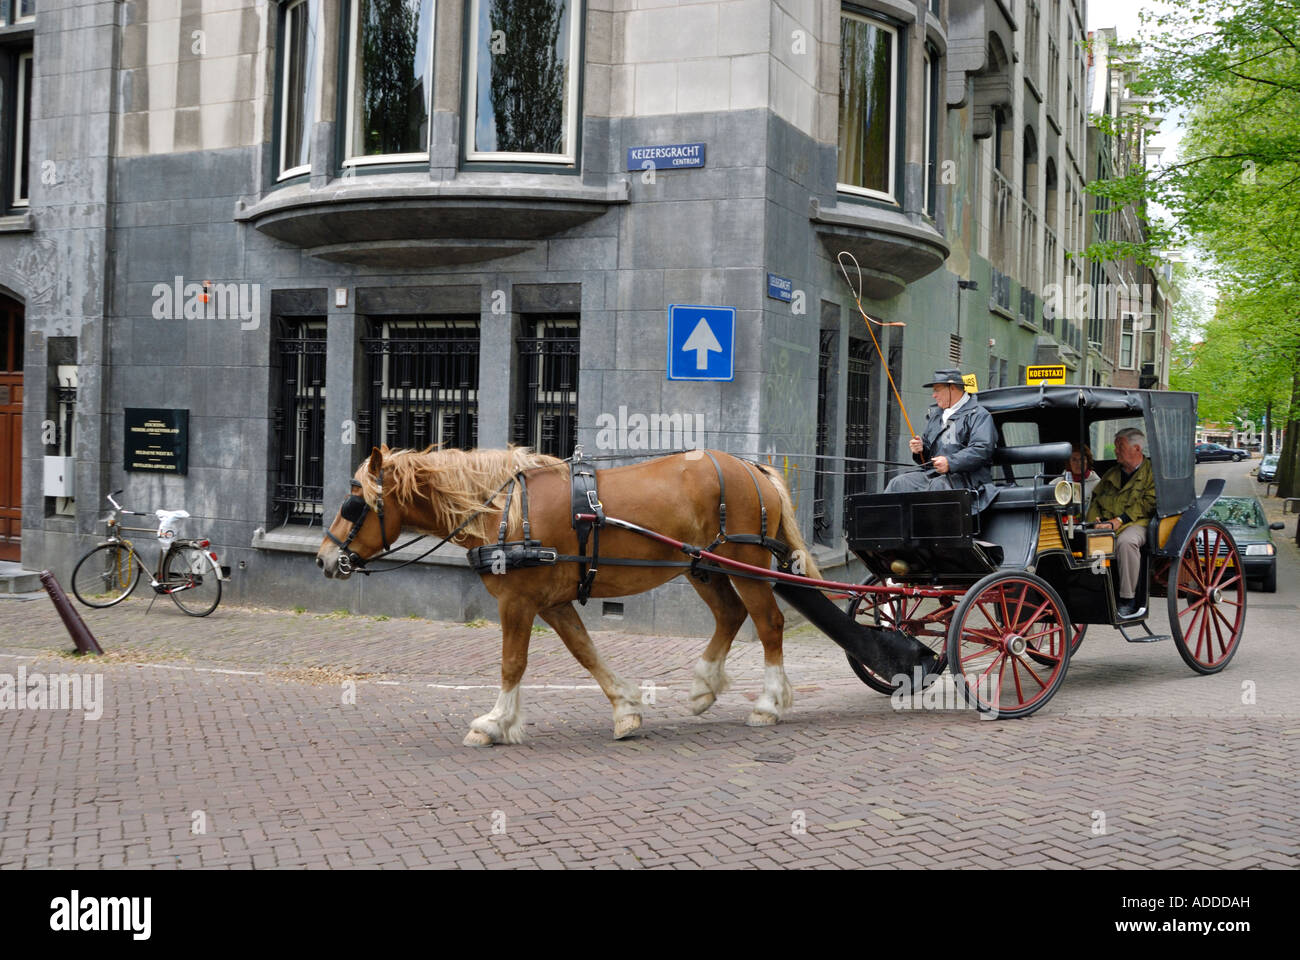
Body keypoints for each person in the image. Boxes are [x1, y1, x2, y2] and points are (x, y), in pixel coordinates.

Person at [885, 368, 997, 510]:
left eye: (937, 390)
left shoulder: (979, 415)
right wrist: (920, 450)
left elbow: (981, 450)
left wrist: (950, 463)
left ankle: (933, 531)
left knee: (939, 488)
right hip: (935, 475)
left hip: (968, 479)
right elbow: (926, 458)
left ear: (952, 388)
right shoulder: (936, 415)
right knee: (899, 483)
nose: (934, 395)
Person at [1085, 427, 1156, 618]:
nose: (1115, 450)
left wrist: (1119, 520)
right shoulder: (1111, 474)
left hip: (1138, 523)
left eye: (1120, 446)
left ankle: (1127, 599)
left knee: (1126, 542)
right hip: (1108, 524)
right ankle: (1094, 595)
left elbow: (1149, 503)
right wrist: (1095, 522)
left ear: (1137, 448)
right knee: (1084, 540)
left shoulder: (1152, 473)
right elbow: (1096, 500)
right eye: (1116, 446)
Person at [1059, 443, 1100, 510]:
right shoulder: (1057, 484)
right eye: (1074, 460)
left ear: (1088, 461)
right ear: (1069, 462)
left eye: (1082, 459)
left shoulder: (1098, 484)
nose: (1079, 463)